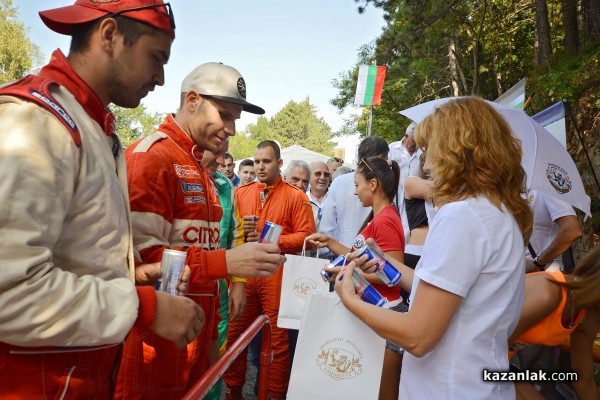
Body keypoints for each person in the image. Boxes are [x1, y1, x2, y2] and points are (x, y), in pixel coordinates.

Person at [0, 1, 205, 398]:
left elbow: (68, 254)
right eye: (156, 57)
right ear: (109, 35)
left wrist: (127, 276)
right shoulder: (37, 122)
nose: (161, 78)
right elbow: (8, 289)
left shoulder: (90, 126)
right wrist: (144, 308)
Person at [336, 97, 533, 399]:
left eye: (430, 153)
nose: (426, 166)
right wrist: (383, 262)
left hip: (446, 388)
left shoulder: (462, 215)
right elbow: (441, 292)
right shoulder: (498, 212)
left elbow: (418, 335)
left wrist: (350, 300)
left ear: (457, 152)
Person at [119, 62, 285, 399]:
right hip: (156, 343)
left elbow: (203, 253)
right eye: (225, 115)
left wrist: (211, 340)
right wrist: (228, 264)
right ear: (192, 100)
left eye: (236, 119)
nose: (232, 129)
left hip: (197, 337)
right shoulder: (152, 157)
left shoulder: (199, 166)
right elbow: (138, 264)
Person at [224, 140, 315, 400]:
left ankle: (275, 395)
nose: (261, 166)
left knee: (278, 341)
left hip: (277, 275)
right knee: (234, 336)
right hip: (246, 274)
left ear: (279, 163)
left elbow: (307, 237)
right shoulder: (241, 193)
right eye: (257, 161)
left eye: (267, 161)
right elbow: (233, 233)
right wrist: (244, 237)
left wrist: (274, 240)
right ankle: (233, 393)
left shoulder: (296, 196)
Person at [509, 244, 600, 400]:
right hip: (467, 358)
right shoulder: (548, 293)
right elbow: (481, 353)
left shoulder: (588, 315)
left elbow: (583, 380)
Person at [516, 189, 583, 398]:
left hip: (541, 284)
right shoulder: (507, 187)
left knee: (534, 368)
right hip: (515, 285)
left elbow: (572, 229)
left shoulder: (544, 187)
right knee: (513, 370)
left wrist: (539, 261)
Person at [201, 143, 246, 400]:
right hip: (182, 288)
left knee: (214, 365)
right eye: (214, 150)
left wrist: (239, 282)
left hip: (218, 292)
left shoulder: (226, 186)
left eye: (224, 152)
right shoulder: (175, 172)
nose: (220, 159)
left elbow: (235, 236)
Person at [319, 136, 390, 251]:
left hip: (345, 257)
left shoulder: (339, 182)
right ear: (381, 159)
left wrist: (332, 252)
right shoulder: (388, 184)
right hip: (375, 259)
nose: (356, 192)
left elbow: (327, 227)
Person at [389, 122, 422, 243]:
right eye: (414, 140)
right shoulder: (392, 148)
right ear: (406, 136)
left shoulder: (422, 153)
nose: (416, 144)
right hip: (395, 198)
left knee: (410, 230)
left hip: (414, 201)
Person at [306, 161, 331, 233]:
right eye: (318, 174)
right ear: (309, 176)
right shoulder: (302, 199)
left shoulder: (337, 199)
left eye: (326, 174)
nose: (322, 177)